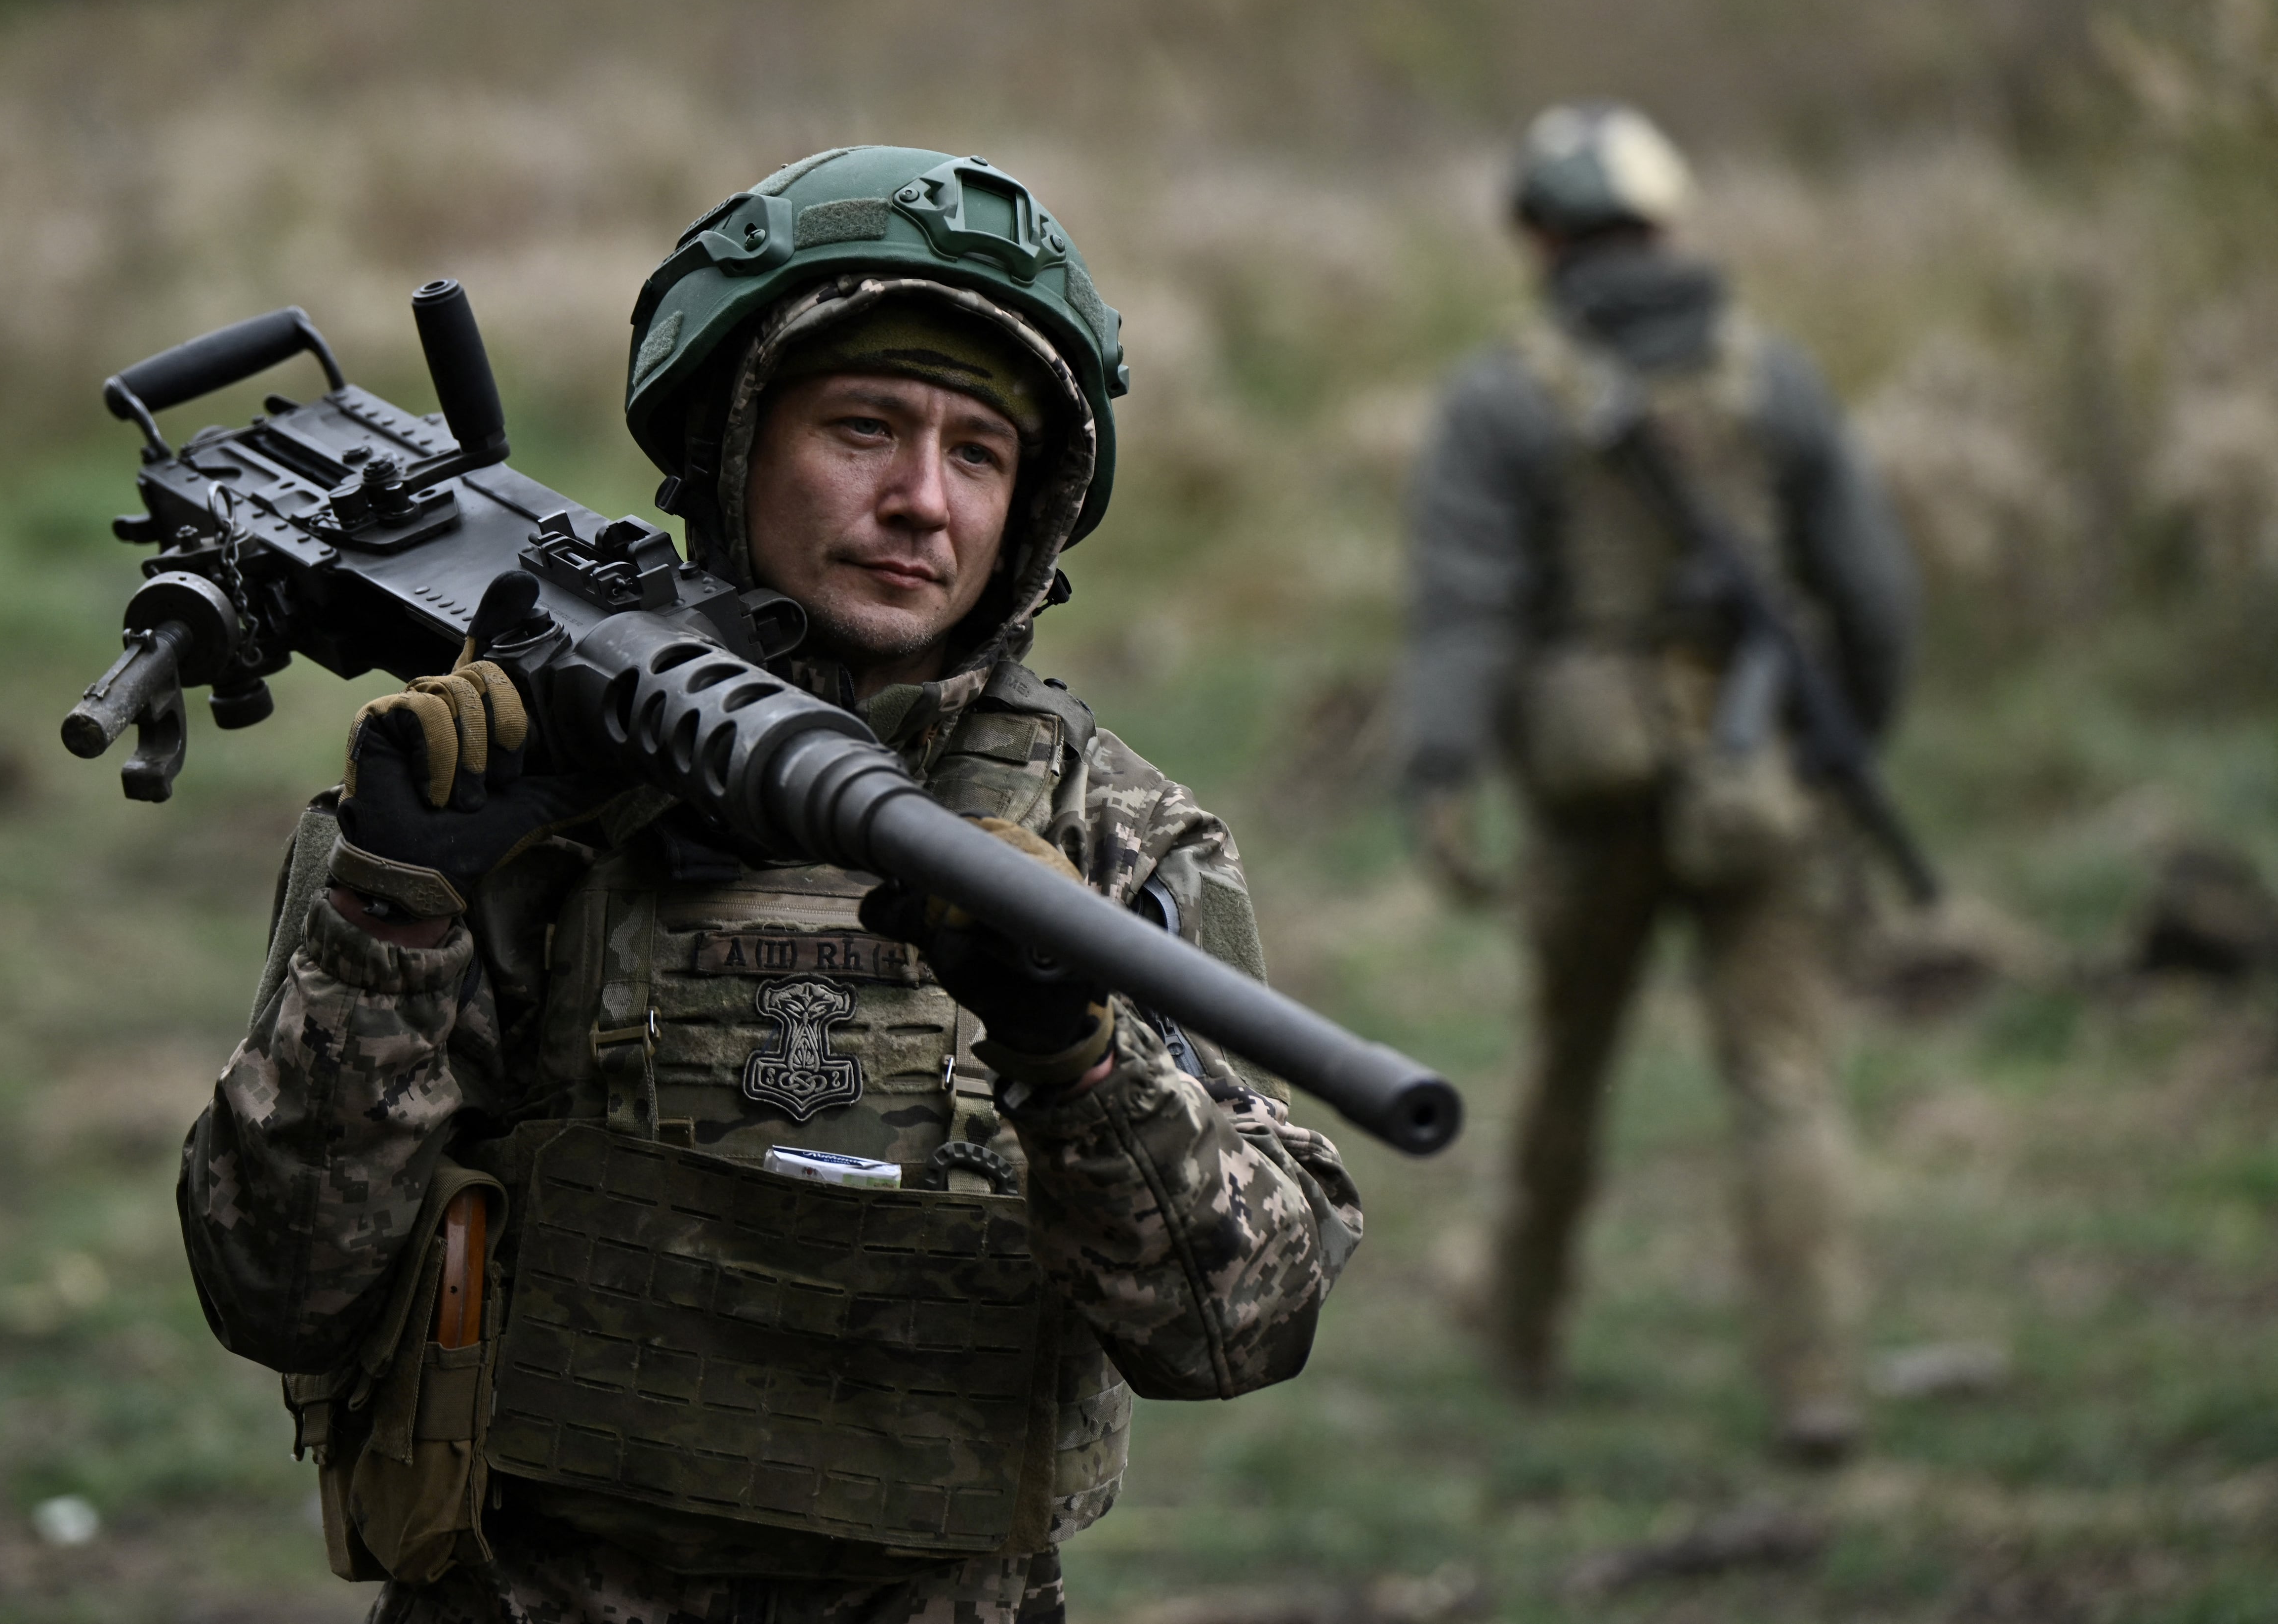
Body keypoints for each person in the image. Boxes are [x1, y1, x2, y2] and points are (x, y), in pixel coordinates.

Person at [178, 144, 1364, 1624]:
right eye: (863, 429)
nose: (922, 501)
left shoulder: (1111, 835)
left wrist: (1080, 1056)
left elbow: (1235, 1327)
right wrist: (392, 910)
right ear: (736, 449)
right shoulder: (505, 789)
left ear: (1031, 509)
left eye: (978, 454)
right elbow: (274, 1285)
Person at [1398, 103, 1916, 1464]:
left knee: (1567, 1069)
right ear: (1670, 221)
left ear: (1535, 236)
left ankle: (1519, 1330)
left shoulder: (1503, 395)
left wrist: (1442, 770)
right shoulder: (1775, 377)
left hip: (1590, 797)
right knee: (1787, 1083)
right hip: (1762, 790)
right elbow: (1874, 594)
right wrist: (1838, 739)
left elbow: (1467, 606)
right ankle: (1815, 1381)